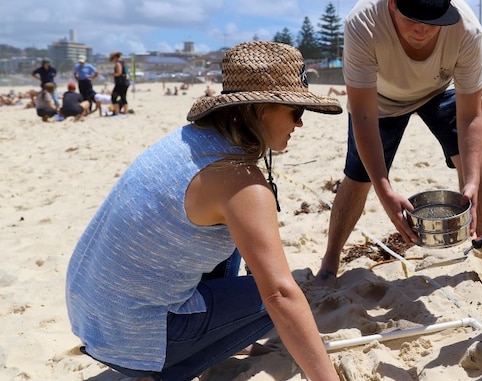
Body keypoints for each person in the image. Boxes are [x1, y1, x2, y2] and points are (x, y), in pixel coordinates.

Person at [65, 41, 342, 381]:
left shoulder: (190, 141)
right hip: (132, 338)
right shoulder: (239, 180)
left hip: (91, 315)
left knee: (236, 240)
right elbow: (280, 295)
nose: (299, 124)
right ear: (263, 109)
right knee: (279, 299)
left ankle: (197, 338)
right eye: (296, 112)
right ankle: (163, 371)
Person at [315, 0, 482, 294]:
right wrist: (385, 190)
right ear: (392, 1)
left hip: (439, 89)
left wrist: (472, 181)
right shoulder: (363, 22)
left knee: (475, 164)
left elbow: (470, 115)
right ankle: (330, 262)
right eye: (412, 20)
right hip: (382, 100)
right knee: (358, 178)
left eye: (433, 22)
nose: (422, 30)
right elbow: (362, 114)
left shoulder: (467, 30)